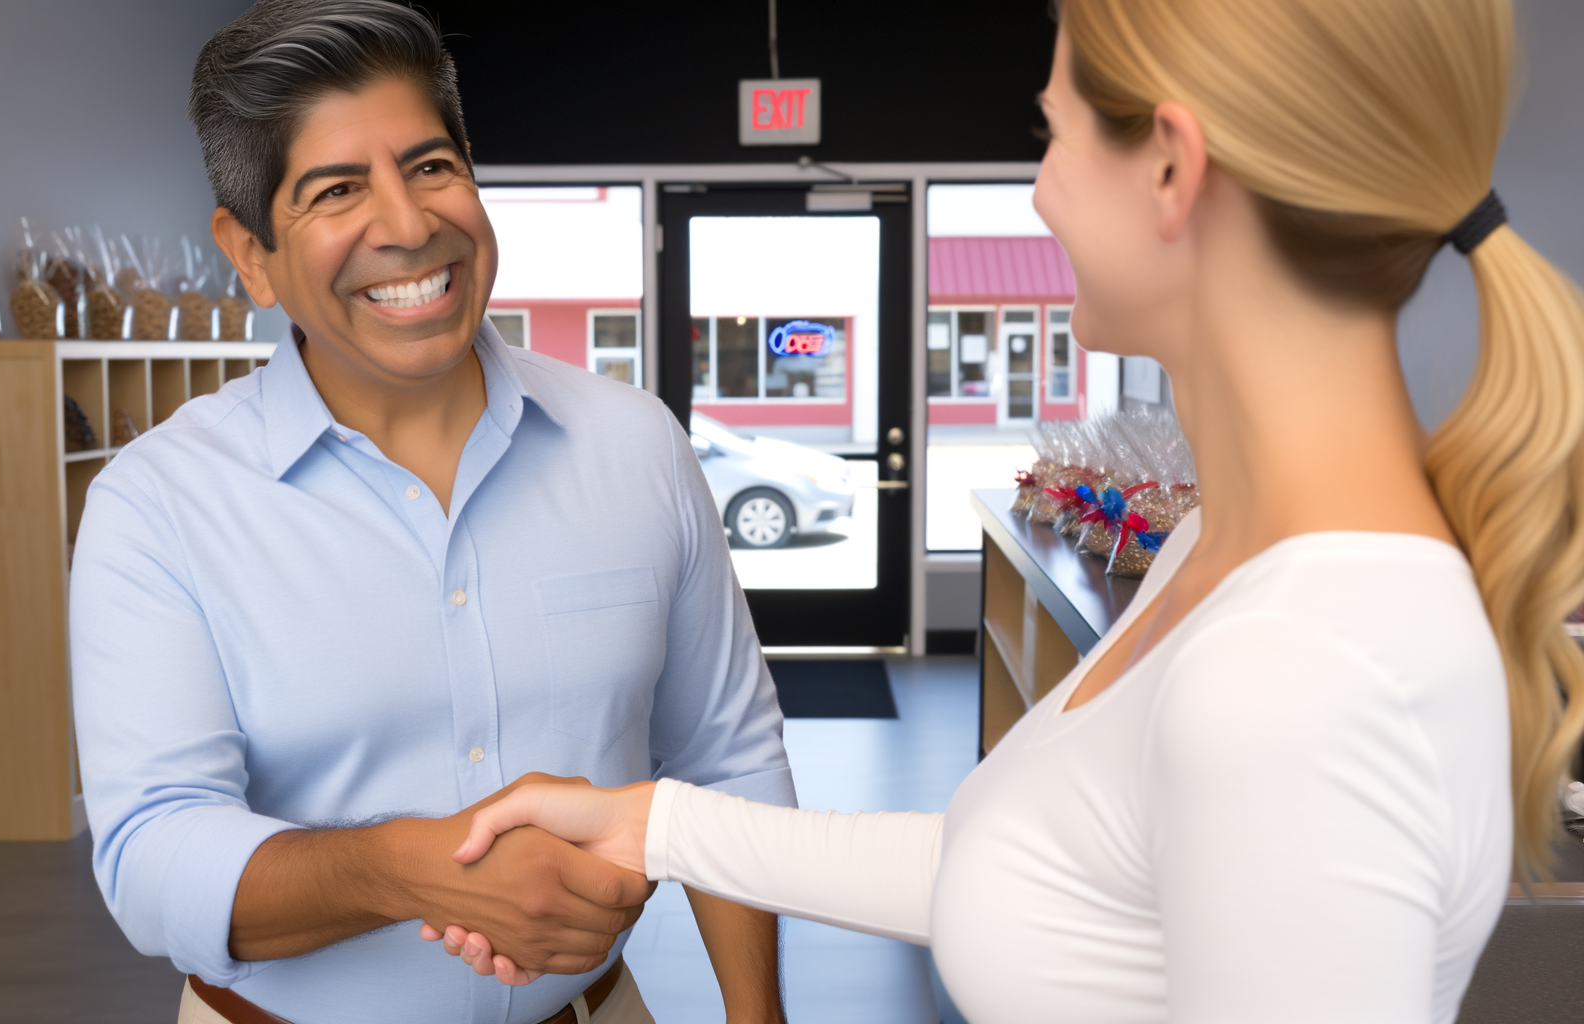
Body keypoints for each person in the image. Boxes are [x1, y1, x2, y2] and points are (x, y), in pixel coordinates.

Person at [426, 1, 1584, 1021]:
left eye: (1053, 133)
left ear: (1172, 168)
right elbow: (1029, 878)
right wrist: (651, 824)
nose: (1038, 186)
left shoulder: (1294, 672)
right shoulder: (1222, 554)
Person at [69, 3, 797, 1023]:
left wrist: (757, 1015)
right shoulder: (158, 506)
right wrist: (413, 867)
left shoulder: (637, 447)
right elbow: (153, 857)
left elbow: (728, 758)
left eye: (430, 166)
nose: (408, 226)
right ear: (249, 252)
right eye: (335, 190)